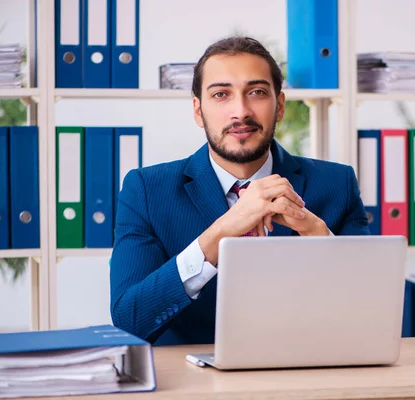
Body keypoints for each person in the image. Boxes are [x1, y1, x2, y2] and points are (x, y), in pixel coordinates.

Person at [109, 36, 370, 345]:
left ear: (280, 106)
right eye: (221, 94)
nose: (241, 111)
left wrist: (317, 235)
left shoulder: (336, 183)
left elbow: (372, 311)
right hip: (194, 385)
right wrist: (220, 233)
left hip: (306, 377)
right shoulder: (146, 190)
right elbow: (130, 321)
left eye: (257, 92)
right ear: (198, 111)